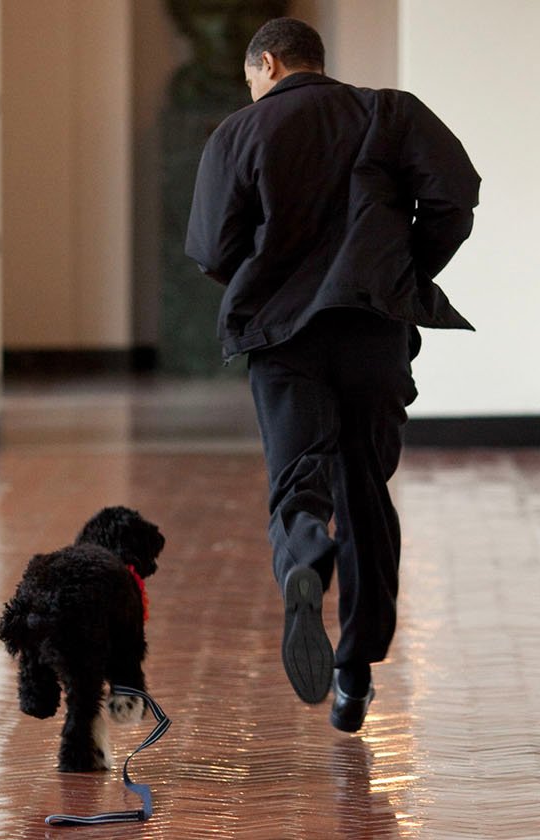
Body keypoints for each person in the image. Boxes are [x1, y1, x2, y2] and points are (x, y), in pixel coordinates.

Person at [184, 17, 480, 732]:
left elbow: (209, 246)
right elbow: (455, 196)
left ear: (271, 63)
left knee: (299, 478)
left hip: (286, 336)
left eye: (251, 76)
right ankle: (354, 672)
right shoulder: (389, 112)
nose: (251, 88)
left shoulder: (239, 132)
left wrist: (265, 274)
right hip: (371, 327)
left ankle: (304, 557)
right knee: (365, 488)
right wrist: (399, 269)